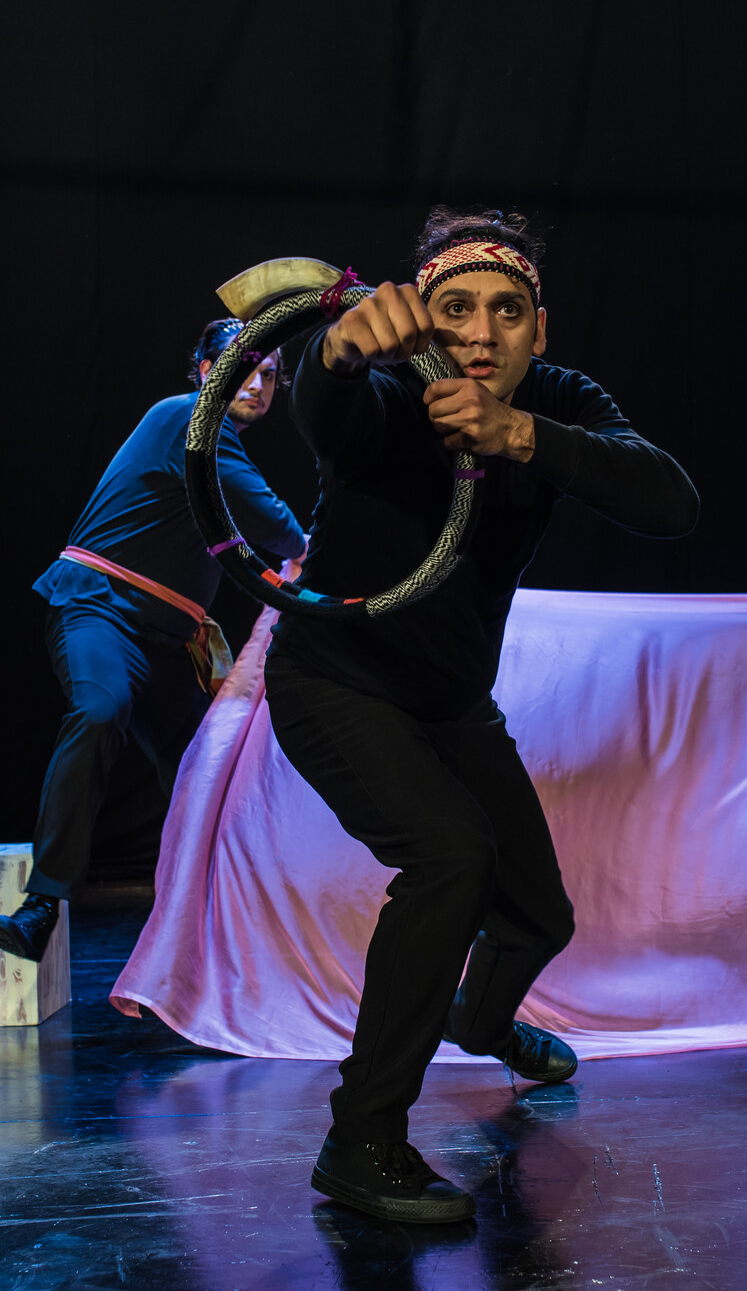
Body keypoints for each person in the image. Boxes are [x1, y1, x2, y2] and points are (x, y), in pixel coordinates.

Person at [264, 208, 699, 1223]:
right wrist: (330, 354)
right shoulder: (385, 393)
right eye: (454, 307)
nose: (482, 332)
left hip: (451, 703)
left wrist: (519, 436)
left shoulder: (552, 397)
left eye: (507, 312)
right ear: (419, 317)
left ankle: (479, 1015)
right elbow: (327, 414)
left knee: (539, 913)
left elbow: (669, 503)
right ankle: (360, 1140)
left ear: (535, 330)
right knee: (451, 857)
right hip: (337, 683)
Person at [0, 321, 306, 961]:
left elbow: (248, 552)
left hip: (168, 642)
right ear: (207, 369)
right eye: (246, 367)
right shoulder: (187, 419)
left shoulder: (216, 453)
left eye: (271, 374)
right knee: (101, 709)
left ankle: (228, 921)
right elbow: (274, 524)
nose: (260, 383)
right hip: (102, 610)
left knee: (207, 770)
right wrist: (317, 551)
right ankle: (40, 904)